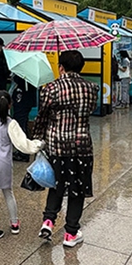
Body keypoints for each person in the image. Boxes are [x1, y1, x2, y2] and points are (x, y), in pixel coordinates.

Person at [32, 50, 99, 248]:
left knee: (56, 184)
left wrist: (37, 139)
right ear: (81, 67)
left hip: (56, 146)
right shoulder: (91, 88)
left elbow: (41, 118)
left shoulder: (50, 88)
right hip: (82, 147)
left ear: (60, 67)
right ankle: (70, 233)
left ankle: (48, 221)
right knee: (77, 190)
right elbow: (89, 111)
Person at [0, 89, 44, 242]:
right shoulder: (11, 124)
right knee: (8, 193)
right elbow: (23, 144)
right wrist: (39, 144)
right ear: (10, 105)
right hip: (4, 164)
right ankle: (14, 223)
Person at [11, 74, 39, 161]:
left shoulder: (26, 74)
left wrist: (15, 76)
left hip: (23, 100)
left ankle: (23, 153)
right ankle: (23, 151)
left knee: (21, 126)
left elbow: (20, 81)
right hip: (25, 100)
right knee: (23, 124)